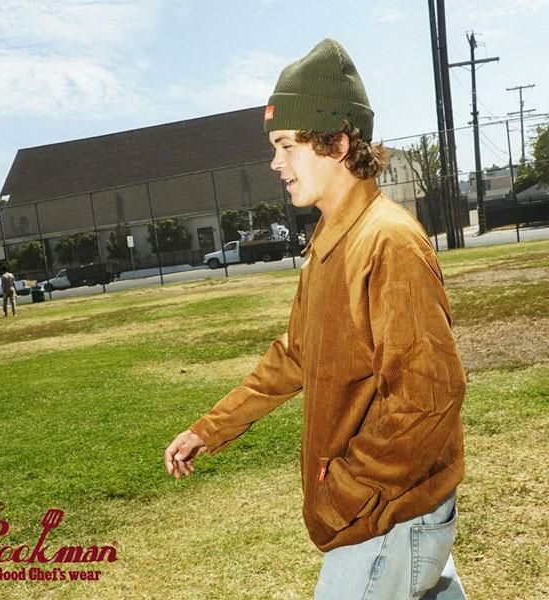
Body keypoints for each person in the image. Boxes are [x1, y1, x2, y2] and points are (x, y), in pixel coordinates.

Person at [164, 39, 467, 599]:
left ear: (338, 142)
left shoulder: (388, 241)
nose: (275, 162)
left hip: (389, 516)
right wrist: (209, 429)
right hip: (390, 510)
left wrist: (348, 489)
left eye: (287, 144)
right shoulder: (331, 239)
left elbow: (428, 396)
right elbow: (295, 355)